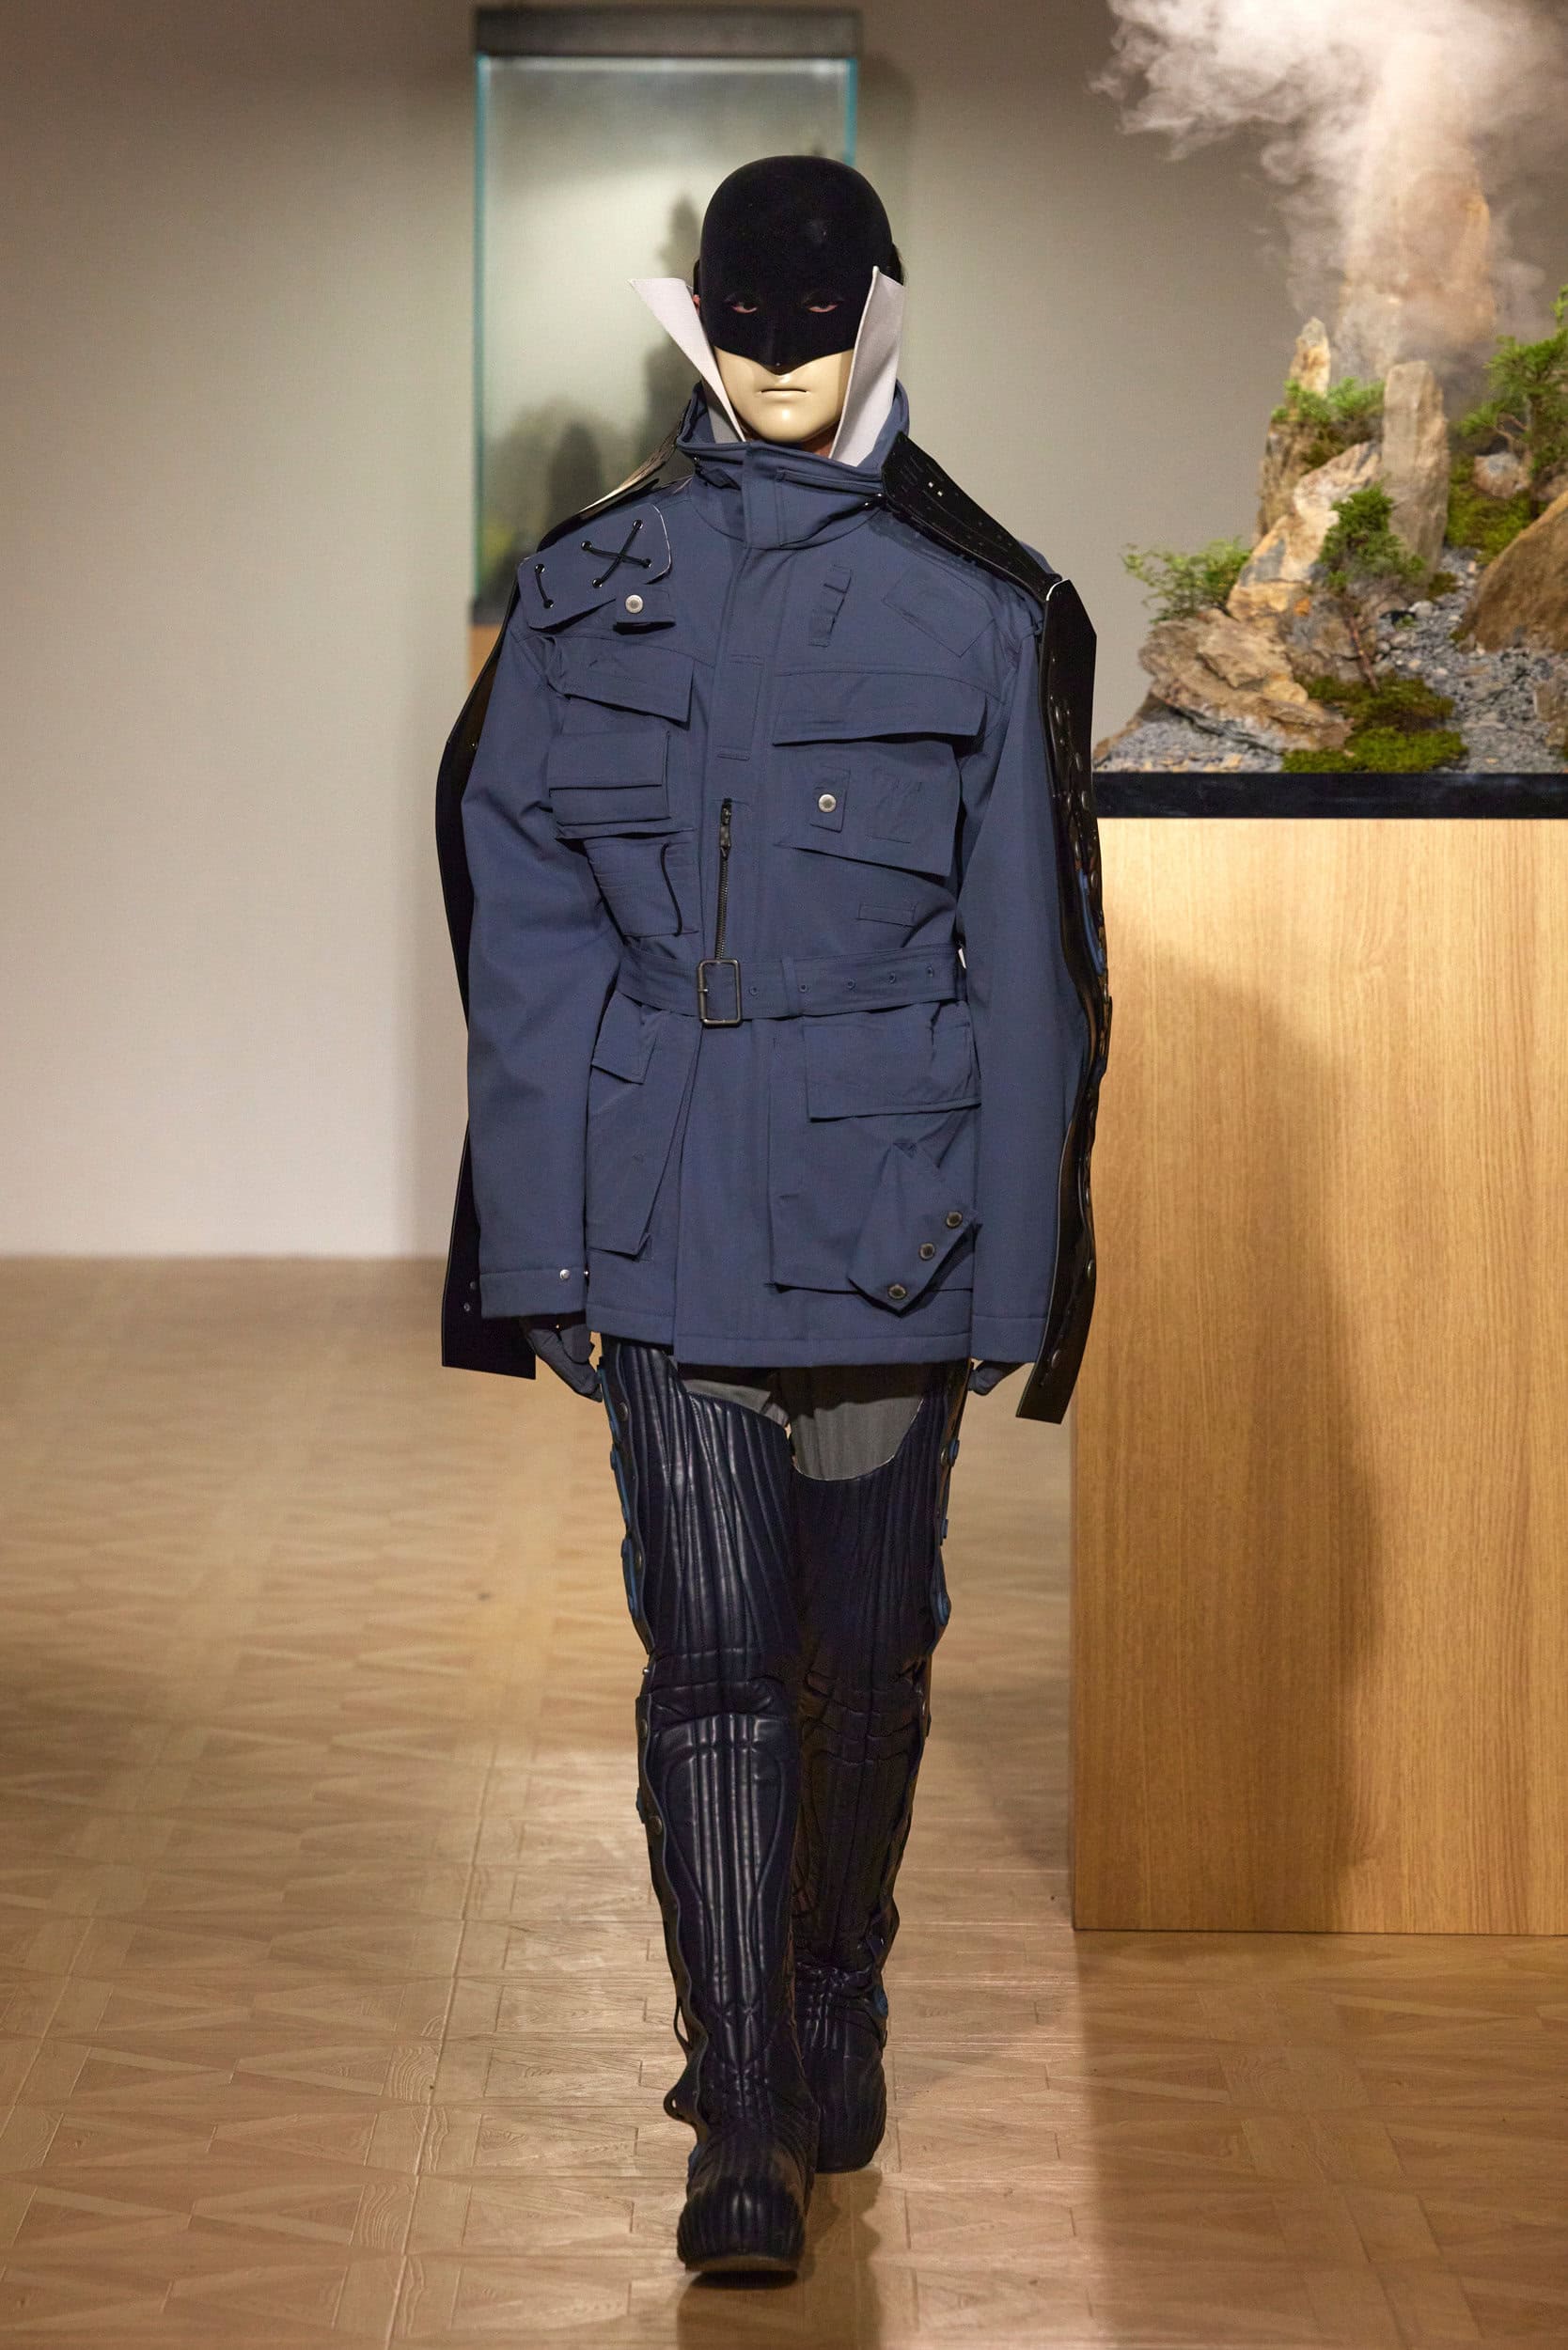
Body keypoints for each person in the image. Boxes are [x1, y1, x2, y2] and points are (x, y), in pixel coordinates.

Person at [435, 156, 1109, 2276]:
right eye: (748, 323)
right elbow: (528, 938)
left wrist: (1023, 1268)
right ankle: (736, 2111)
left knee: (869, 1662)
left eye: (819, 324)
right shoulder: (587, 590)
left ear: (883, 313)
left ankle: (834, 1995)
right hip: (663, 1201)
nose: (784, 361)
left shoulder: (984, 607)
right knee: (714, 1663)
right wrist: (540, 1245)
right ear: (695, 321)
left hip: (894, 1212)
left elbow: (1034, 965)